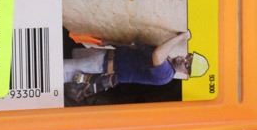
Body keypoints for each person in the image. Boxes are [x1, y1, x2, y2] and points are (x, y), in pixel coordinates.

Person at [63, 30, 209, 93]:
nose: (184, 59)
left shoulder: (166, 75)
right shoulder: (168, 60)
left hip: (102, 65)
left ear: (186, 73)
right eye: (188, 57)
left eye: (187, 64)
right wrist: (110, 42)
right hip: (106, 56)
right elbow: (134, 47)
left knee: (63, 68)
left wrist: (181, 37)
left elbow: (157, 55)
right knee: (70, 59)